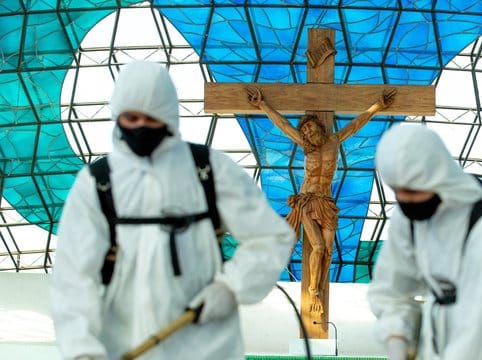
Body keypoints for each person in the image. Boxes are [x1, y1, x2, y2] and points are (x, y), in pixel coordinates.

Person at [51, 61, 295, 360]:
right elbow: (73, 275)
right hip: (125, 345)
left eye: (151, 119)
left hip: (208, 347)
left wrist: (230, 287)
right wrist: (82, 350)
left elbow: (271, 237)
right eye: (131, 117)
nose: (140, 126)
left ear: (168, 117)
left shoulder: (208, 170)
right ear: (117, 116)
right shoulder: (97, 183)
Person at [367, 125, 482, 359]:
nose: (404, 199)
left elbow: (481, 329)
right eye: (396, 190)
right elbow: (391, 289)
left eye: (413, 190)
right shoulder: (409, 219)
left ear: (437, 176)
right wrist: (396, 336)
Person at [246, 86, 396, 314]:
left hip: (326, 203)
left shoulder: (334, 141)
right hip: (307, 201)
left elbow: (356, 125)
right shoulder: (306, 147)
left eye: (309, 127)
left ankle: (317, 289)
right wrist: (262, 105)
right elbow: (284, 126)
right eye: (304, 130)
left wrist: (378, 106)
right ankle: (313, 291)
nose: (306, 132)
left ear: (319, 126)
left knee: (327, 251)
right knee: (316, 246)